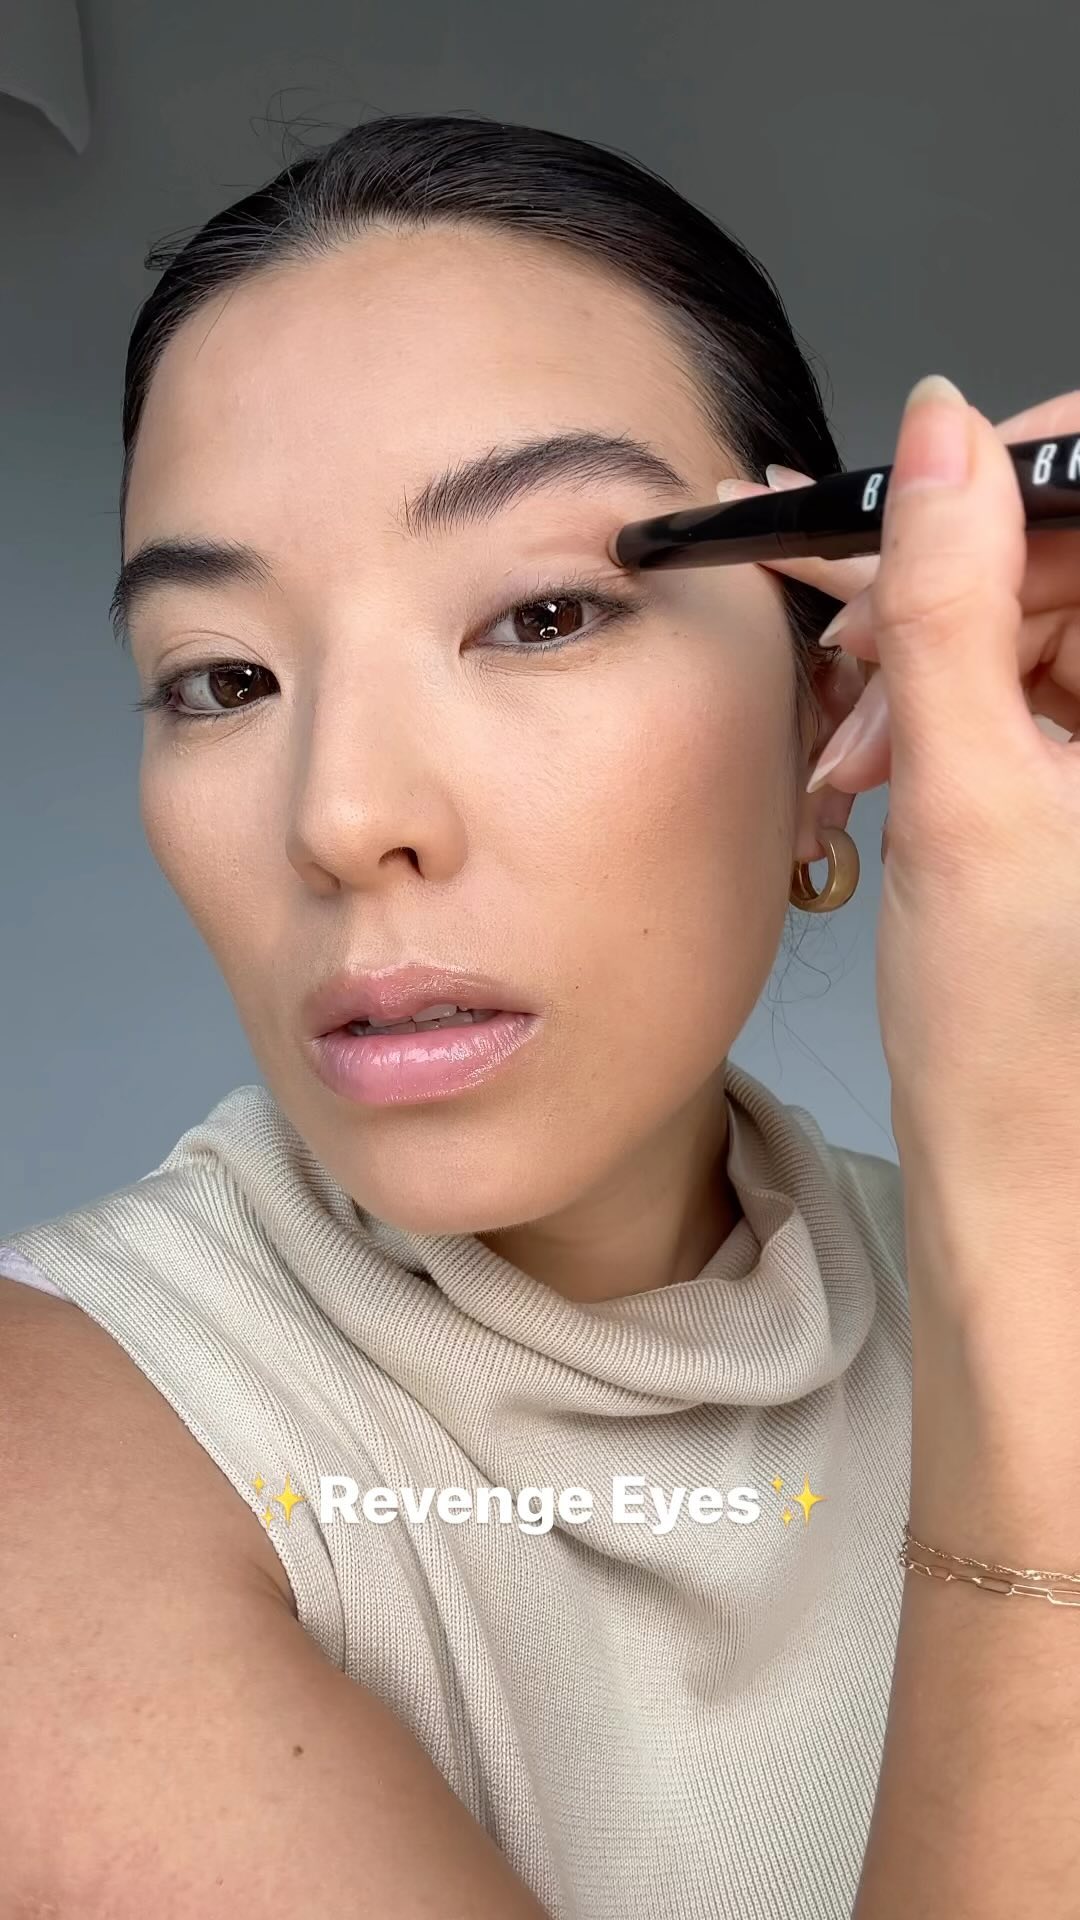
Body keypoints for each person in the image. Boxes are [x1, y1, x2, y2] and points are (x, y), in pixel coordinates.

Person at [2, 112, 1078, 1920]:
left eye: (543, 612)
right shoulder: (49, 1462)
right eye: (225, 678)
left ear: (833, 706)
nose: (344, 817)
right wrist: (1031, 1212)